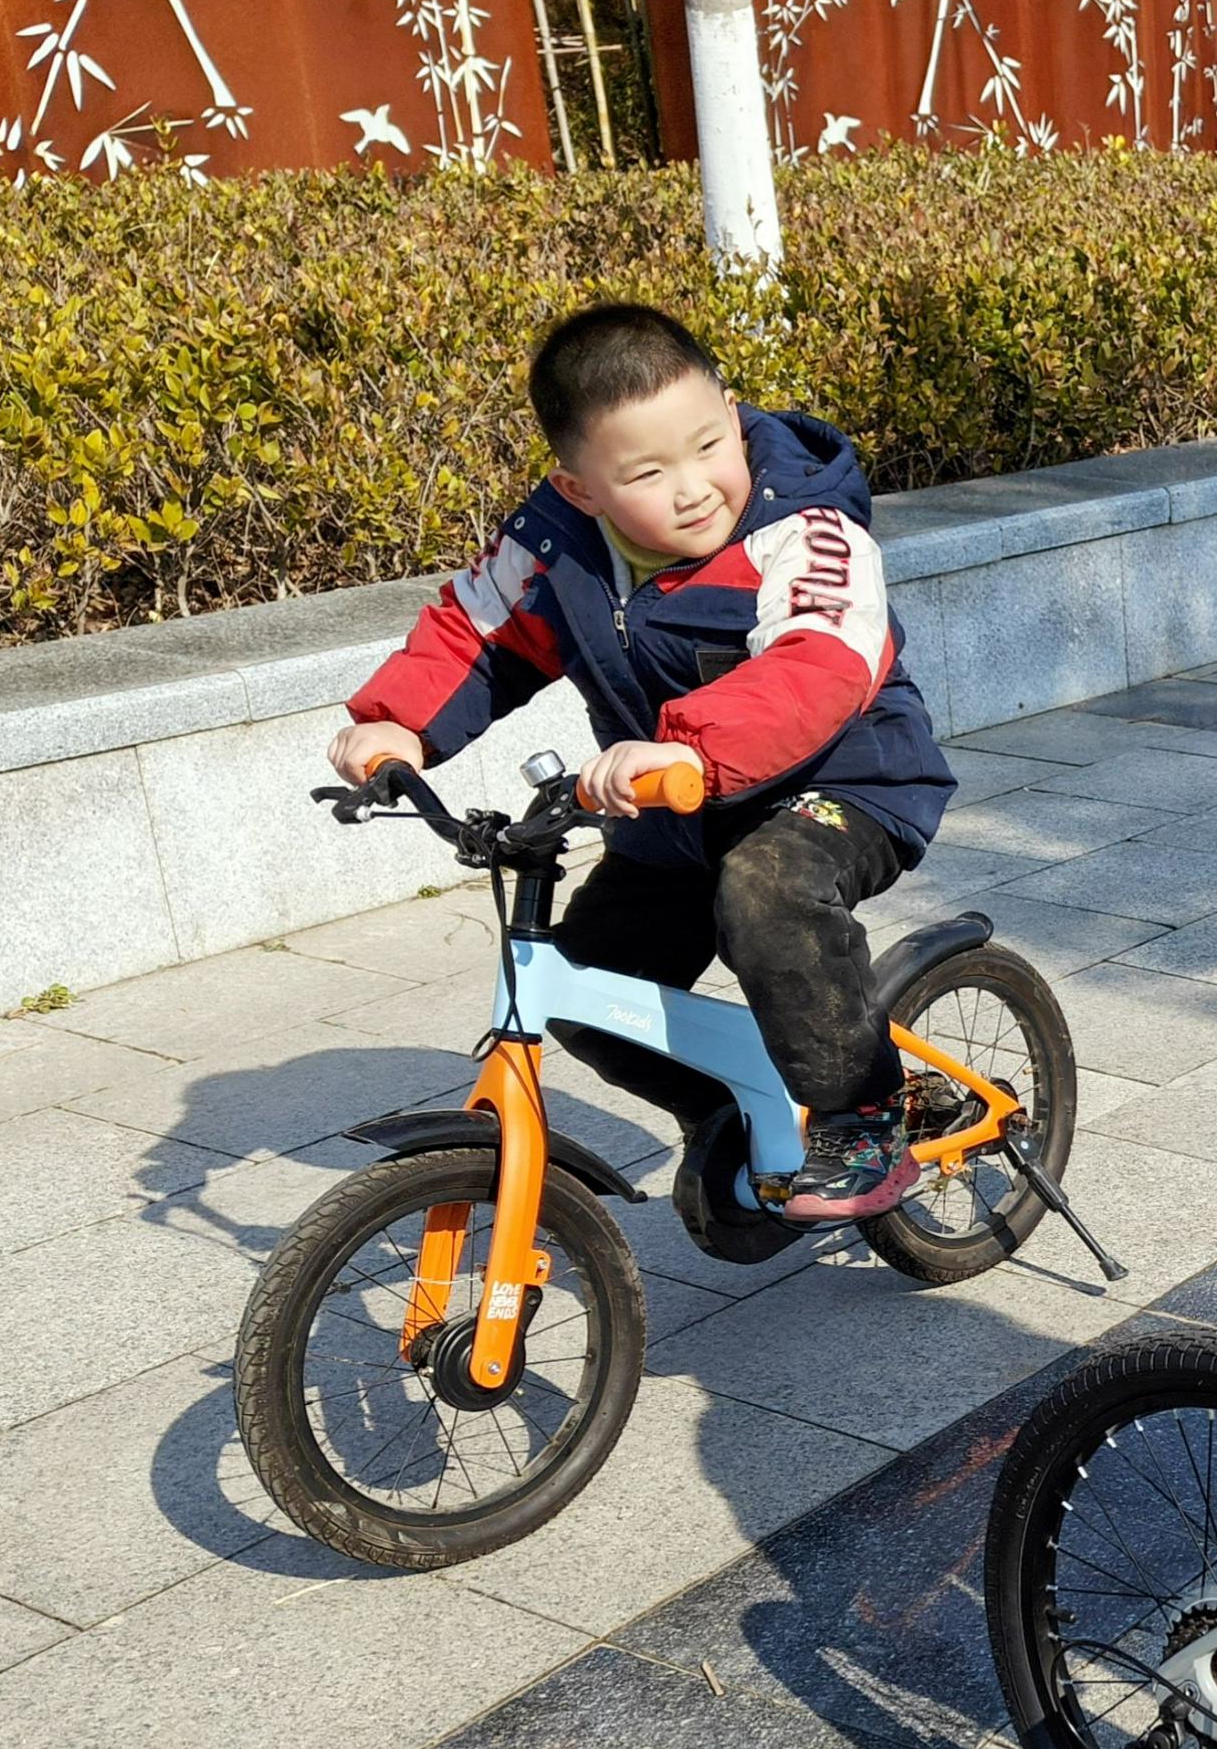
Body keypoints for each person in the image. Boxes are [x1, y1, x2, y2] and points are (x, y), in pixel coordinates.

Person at [327, 301, 954, 1220]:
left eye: (711, 444)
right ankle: (730, 1117)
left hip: (840, 783)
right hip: (676, 810)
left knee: (767, 890)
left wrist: (691, 746)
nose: (695, 486)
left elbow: (818, 665)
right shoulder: (553, 547)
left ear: (732, 412)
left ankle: (861, 1116)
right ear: (580, 487)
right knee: (583, 985)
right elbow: (478, 632)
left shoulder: (807, 532)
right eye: (649, 472)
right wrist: (398, 727)